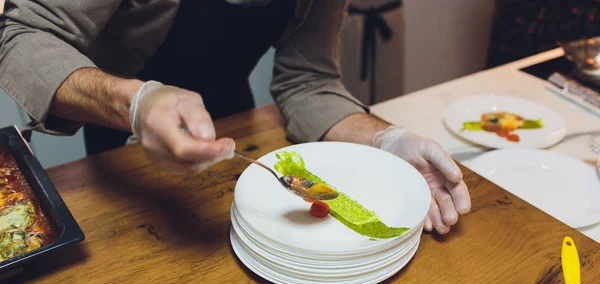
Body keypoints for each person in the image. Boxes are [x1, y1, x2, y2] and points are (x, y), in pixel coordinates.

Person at [0, 0, 470, 234]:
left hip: (237, 141)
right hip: (124, 151)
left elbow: (308, 81)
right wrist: (136, 104)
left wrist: (385, 141)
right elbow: (19, 35)